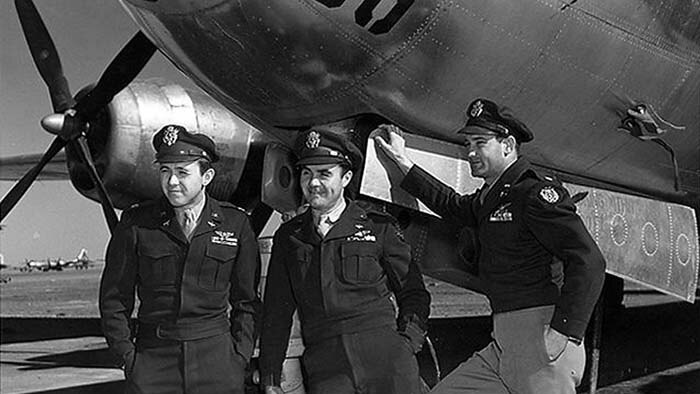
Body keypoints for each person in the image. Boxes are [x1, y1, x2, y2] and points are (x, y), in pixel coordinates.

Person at [373, 98, 606, 394]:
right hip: (503, 346)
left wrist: (564, 332)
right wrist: (403, 162)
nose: (470, 152)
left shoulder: (534, 195)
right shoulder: (492, 199)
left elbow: (589, 261)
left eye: (480, 143)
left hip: (542, 345)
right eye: (468, 143)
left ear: (507, 145)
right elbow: (451, 204)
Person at [259, 129, 431, 394]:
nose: (313, 183)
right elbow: (276, 311)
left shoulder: (377, 226)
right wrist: (270, 376)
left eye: (324, 174)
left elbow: (413, 291)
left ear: (346, 177)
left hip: (386, 361)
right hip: (327, 368)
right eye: (307, 173)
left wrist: (408, 343)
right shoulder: (290, 237)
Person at [99, 124, 261, 394]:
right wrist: (128, 358)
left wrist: (239, 358)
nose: (172, 182)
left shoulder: (236, 224)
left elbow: (247, 301)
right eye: (165, 171)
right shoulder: (136, 224)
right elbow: (115, 298)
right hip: (153, 362)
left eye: (182, 172)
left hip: (217, 363)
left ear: (206, 176)